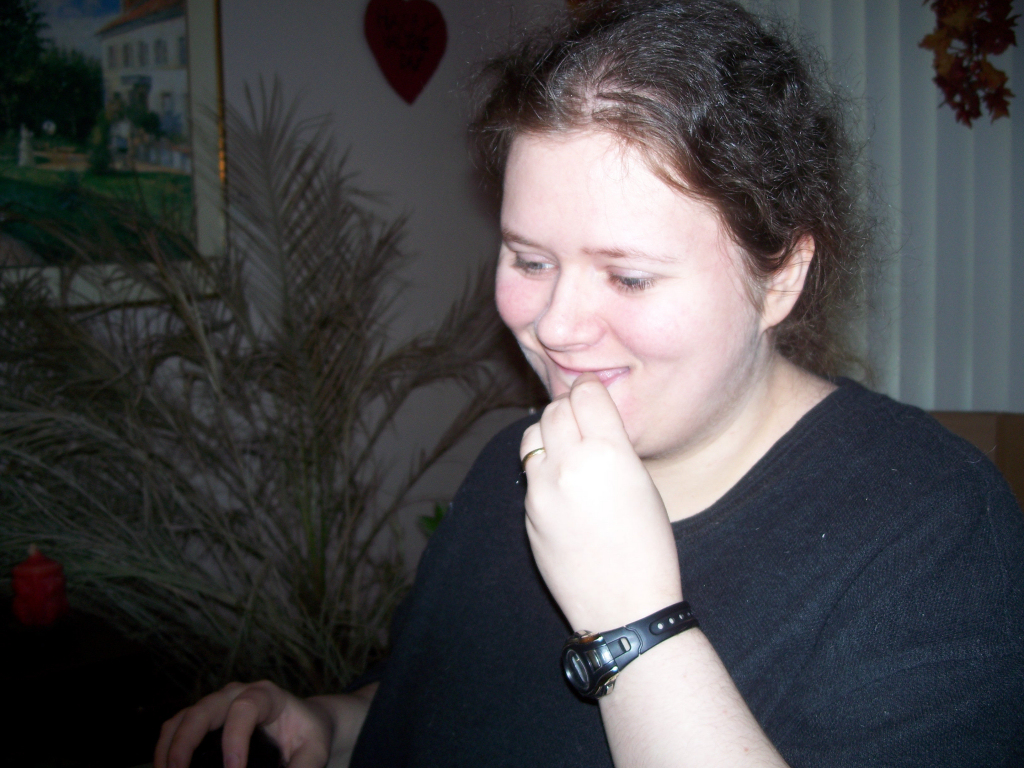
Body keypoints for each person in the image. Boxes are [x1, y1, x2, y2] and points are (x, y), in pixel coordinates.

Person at [155, 1, 1024, 766]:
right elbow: (455, 710)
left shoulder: (937, 536)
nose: (557, 327)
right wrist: (330, 725)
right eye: (529, 259)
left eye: (629, 276)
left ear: (781, 279)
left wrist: (632, 623)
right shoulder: (519, 464)